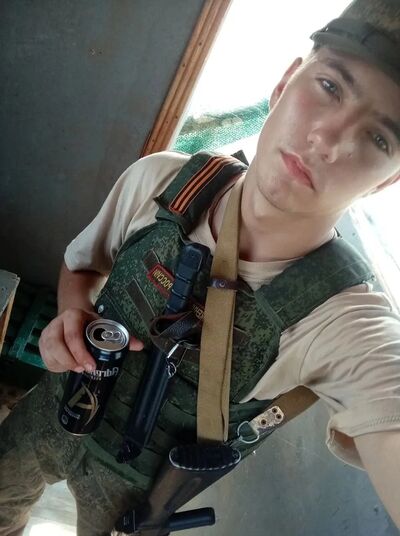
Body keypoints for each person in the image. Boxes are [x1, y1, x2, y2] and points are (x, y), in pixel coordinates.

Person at [1, 0, 400, 534]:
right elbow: (82, 265)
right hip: (54, 410)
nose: (328, 140)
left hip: (131, 489)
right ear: (285, 81)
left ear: (388, 180)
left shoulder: (343, 321)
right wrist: (72, 315)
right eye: (330, 86)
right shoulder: (163, 182)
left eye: (378, 138)